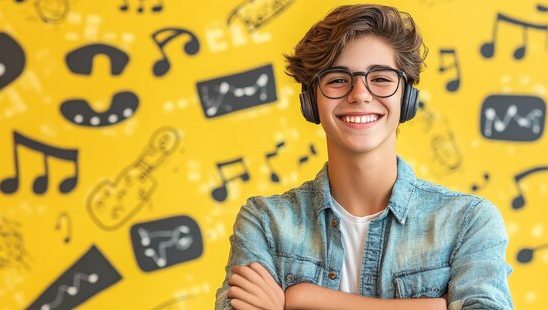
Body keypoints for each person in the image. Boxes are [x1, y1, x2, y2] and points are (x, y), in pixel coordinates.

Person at [215, 4, 513, 310]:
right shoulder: (265, 222)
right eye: (337, 79)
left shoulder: (468, 222)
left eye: (381, 78)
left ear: (407, 97)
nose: (359, 94)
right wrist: (431, 306)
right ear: (310, 101)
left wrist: (300, 297)